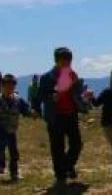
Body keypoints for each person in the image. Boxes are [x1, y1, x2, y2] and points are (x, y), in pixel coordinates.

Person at [34, 47, 89, 187]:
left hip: (70, 113)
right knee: (57, 146)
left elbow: (78, 93)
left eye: (69, 61)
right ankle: (60, 174)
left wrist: (83, 93)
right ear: (57, 61)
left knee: (76, 144)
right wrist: (51, 97)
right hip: (55, 115)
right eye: (64, 61)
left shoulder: (73, 75)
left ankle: (67, 165)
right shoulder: (47, 78)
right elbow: (41, 95)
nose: (67, 64)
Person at [0, 74, 32, 182]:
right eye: (7, 87)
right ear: (2, 87)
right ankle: (0, 165)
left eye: (12, 87)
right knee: (2, 143)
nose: (9, 89)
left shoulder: (18, 100)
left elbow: (26, 110)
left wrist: (32, 113)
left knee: (13, 151)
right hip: (0, 127)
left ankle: (14, 172)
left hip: (12, 128)